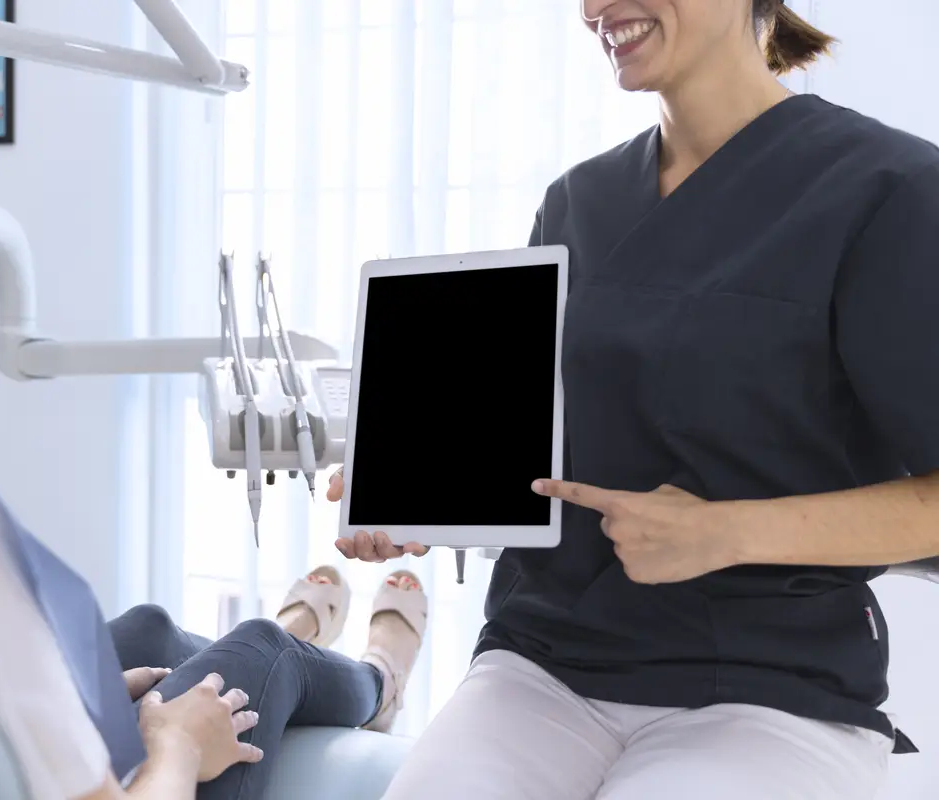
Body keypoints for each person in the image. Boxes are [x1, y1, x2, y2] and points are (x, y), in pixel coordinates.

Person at [0, 3, 429, 800]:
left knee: (149, 631)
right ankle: (378, 674)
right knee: (260, 651)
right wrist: (173, 749)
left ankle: (317, 641)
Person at [329, 1, 939, 798]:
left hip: (769, 685)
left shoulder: (888, 189)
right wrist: (422, 493)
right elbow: (550, 452)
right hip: (545, 661)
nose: (593, 7)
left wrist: (723, 533)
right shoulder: (578, 200)